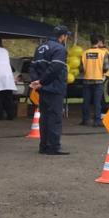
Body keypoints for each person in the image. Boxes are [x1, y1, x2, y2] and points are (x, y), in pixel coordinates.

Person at [29, 25, 71, 155]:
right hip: (54, 88)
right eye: (66, 36)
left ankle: (43, 146)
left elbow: (32, 67)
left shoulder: (40, 47)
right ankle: (53, 147)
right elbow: (56, 68)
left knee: (44, 117)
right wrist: (42, 82)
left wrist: (37, 82)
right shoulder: (59, 48)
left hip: (42, 89)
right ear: (62, 36)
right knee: (55, 118)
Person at [80, 34, 109, 127]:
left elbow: (81, 69)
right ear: (98, 42)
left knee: (86, 101)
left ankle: (85, 120)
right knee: (97, 102)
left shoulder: (84, 53)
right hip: (98, 80)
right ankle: (97, 121)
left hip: (87, 80)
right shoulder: (103, 53)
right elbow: (106, 67)